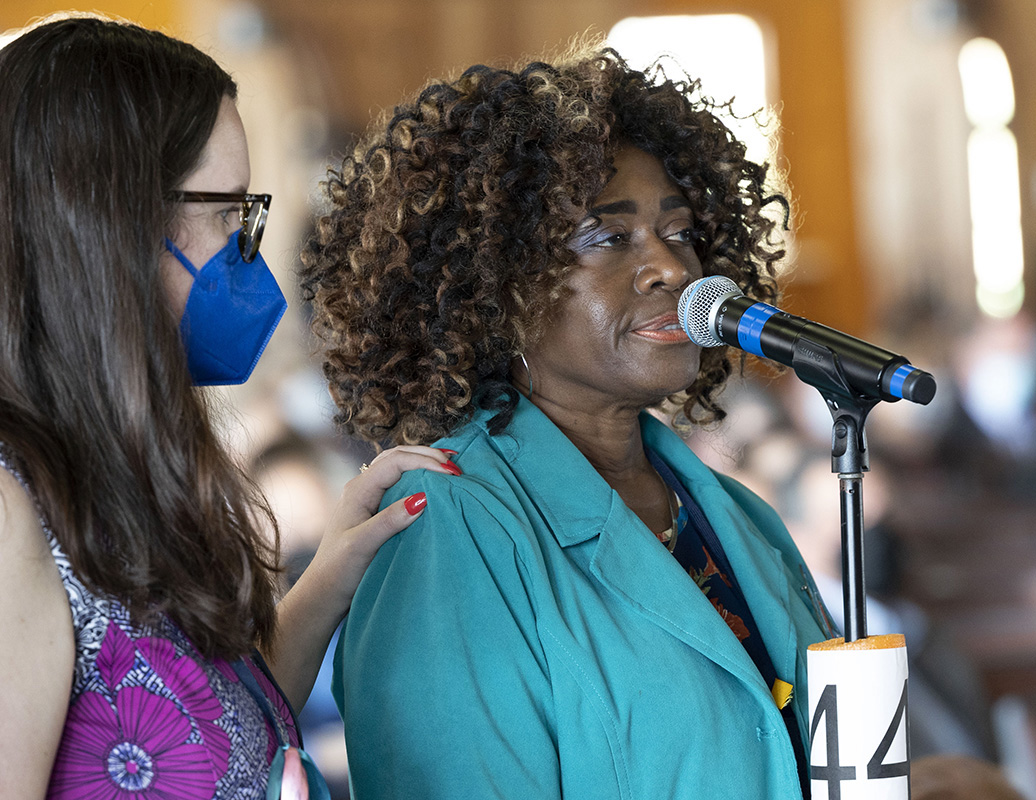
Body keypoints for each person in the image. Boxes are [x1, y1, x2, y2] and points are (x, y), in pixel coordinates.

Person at [0, 14, 460, 799]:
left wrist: (336, 565)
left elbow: (192, 739)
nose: (248, 250)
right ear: (111, 226)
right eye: (230, 213)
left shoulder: (76, 460)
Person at [301, 47, 834, 799]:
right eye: (607, 237)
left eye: (680, 232)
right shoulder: (449, 524)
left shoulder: (736, 515)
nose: (673, 269)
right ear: (494, 285)